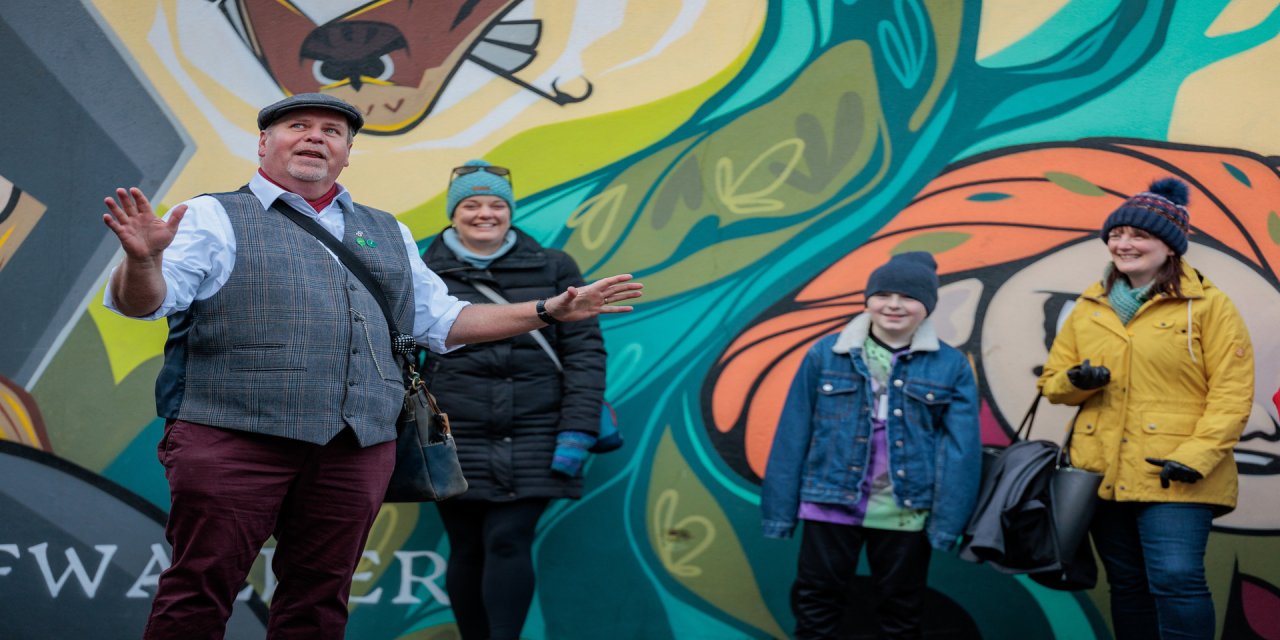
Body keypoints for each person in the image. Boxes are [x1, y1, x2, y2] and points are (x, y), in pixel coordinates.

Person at [100, 93, 642, 640]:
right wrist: (142, 261)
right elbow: (143, 303)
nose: (316, 136)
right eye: (299, 125)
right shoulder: (211, 215)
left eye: (333, 131)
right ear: (264, 143)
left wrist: (550, 310)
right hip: (234, 434)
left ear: (347, 152)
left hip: (355, 446)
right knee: (200, 587)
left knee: (319, 600)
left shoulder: (386, 230)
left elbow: (445, 322)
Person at [1037, 177, 1254, 640]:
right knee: (1129, 586)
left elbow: (1232, 394)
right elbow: (1052, 384)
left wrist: (1196, 457)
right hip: (1100, 471)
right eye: (1116, 234)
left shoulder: (1209, 306)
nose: (1124, 243)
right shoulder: (1089, 306)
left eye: (1139, 235)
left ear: (1170, 246)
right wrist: (1076, 383)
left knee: (1176, 580)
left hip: (1174, 470)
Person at [419, 159, 605, 640]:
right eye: (472, 204)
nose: (486, 213)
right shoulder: (420, 266)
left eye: (497, 204)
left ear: (511, 211)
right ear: (453, 212)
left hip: (538, 431)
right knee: (465, 546)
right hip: (454, 433)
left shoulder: (555, 266)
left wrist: (578, 430)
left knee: (508, 539)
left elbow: (585, 353)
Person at [760, 251, 981, 640]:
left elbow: (960, 450)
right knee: (816, 605)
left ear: (927, 307)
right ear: (868, 300)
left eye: (909, 297)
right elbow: (793, 433)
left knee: (902, 609)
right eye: (884, 294)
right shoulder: (826, 354)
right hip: (830, 503)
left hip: (904, 509)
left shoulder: (951, 365)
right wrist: (780, 512)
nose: (894, 305)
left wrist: (948, 523)